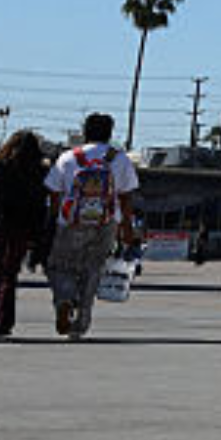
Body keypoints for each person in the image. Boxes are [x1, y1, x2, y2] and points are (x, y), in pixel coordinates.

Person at [42, 113, 139, 338]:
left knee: (59, 266)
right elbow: (126, 197)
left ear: (85, 132)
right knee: (93, 268)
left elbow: (54, 194)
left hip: (70, 223)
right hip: (105, 224)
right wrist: (127, 230)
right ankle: (81, 321)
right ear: (110, 133)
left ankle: (64, 299)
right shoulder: (120, 159)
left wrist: (55, 220)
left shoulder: (67, 158)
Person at [0, 130, 50, 341]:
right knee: (10, 275)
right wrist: (38, 235)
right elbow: (40, 207)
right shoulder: (39, 172)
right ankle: (4, 321)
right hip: (20, 228)